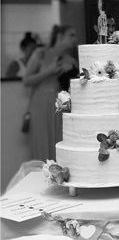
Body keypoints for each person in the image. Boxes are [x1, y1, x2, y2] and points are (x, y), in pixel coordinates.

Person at [23, 25, 78, 161]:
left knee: (59, 140)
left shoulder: (71, 61)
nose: (75, 39)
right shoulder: (40, 54)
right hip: (40, 103)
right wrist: (49, 71)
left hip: (60, 105)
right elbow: (26, 80)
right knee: (41, 140)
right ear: (59, 37)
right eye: (71, 35)